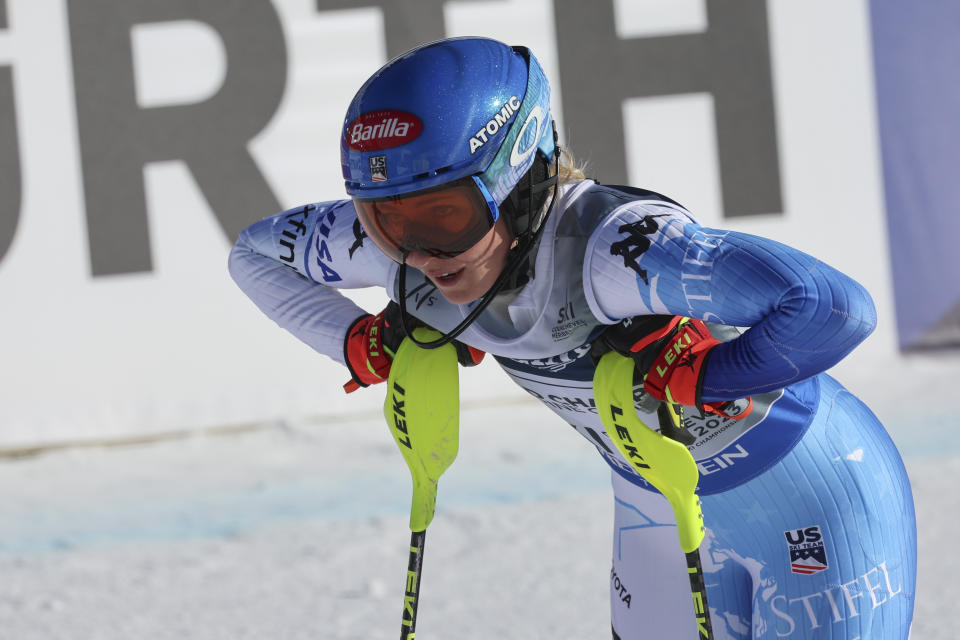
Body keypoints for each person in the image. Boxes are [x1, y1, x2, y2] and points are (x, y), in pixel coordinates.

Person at [228, 37, 916, 639]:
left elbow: (834, 307)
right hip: (655, 503)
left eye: (446, 215)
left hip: (819, 505)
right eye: (384, 221)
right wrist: (356, 341)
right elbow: (251, 256)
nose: (422, 255)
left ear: (514, 177)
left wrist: (708, 374)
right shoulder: (403, 256)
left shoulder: (616, 253)